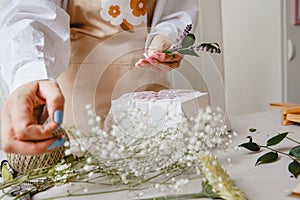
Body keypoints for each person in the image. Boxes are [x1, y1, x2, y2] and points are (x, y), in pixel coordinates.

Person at [0, 0, 198, 155]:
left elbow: (177, 8)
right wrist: (30, 72)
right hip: (78, 95)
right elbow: (29, 9)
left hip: (146, 81)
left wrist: (167, 35)